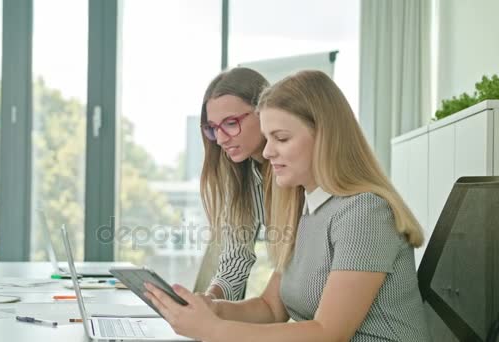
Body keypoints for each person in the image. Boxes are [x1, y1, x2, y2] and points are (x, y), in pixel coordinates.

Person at [145, 70, 432, 341]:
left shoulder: (364, 212)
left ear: (325, 135)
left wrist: (215, 330)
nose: (267, 152)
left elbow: (328, 333)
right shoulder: (306, 209)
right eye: (268, 138)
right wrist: (213, 310)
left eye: (281, 138)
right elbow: (271, 307)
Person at [197, 67, 270, 301]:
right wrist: (209, 299)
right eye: (213, 128)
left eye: (230, 123)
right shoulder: (241, 175)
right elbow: (236, 260)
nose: (220, 139)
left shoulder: (298, 175)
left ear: (264, 112)